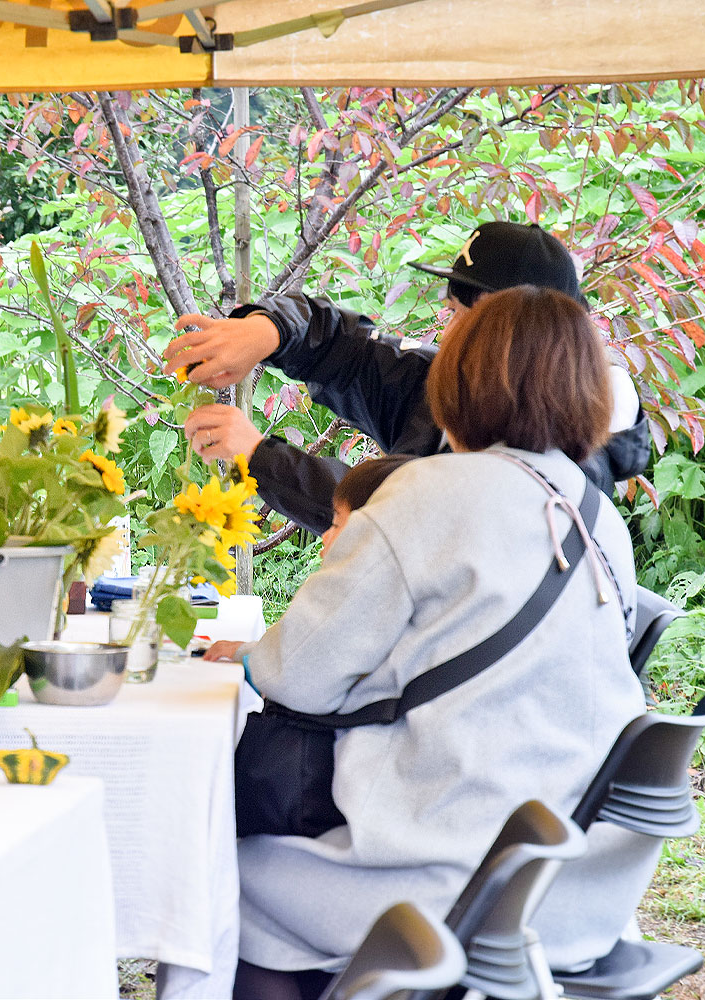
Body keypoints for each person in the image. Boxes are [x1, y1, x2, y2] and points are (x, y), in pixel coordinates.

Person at [196, 287, 645, 1000]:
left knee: (211, 877)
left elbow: (295, 677)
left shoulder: (426, 493)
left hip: (444, 876)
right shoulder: (596, 513)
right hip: (577, 885)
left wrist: (248, 656)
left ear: (456, 383)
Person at [171, 222, 652, 535]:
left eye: (464, 316)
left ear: (519, 333)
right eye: (452, 312)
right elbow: (347, 349)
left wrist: (260, 456)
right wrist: (266, 330)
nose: (452, 332)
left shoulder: (560, 459)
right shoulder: (453, 385)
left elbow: (411, 523)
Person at [202, 454, 414, 664]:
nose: (325, 536)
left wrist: (249, 656)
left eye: (337, 525)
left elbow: (295, 670)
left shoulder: (357, 607)